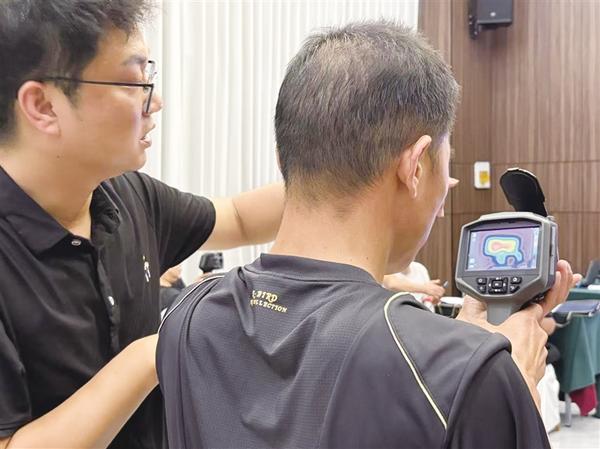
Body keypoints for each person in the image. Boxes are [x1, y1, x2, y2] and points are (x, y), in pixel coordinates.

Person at [157, 21, 577, 449]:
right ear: (415, 167)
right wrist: (510, 385)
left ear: (283, 160)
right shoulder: (474, 377)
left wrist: (464, 352)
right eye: (446, 164)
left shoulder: (188, 316)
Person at [0, 1, 283, 448]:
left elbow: (238, 217)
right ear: (43, 105)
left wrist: (351, 173)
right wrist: (155, 352)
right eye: (134, 83)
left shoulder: (126, 196)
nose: (156, 102)